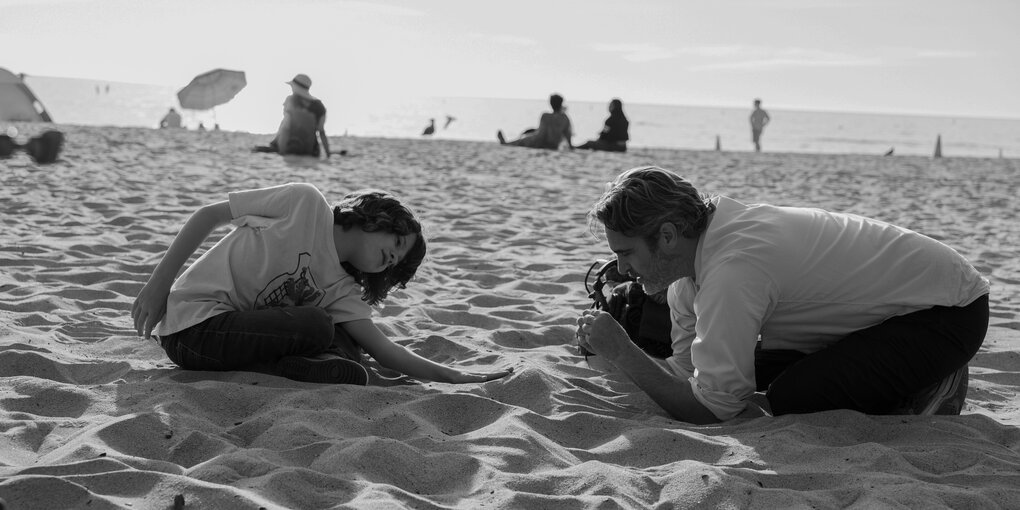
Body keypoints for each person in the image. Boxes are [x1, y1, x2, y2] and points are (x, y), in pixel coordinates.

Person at [577, 166, 989, 424]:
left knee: (791, 397)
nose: (622, 270)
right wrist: (613, 352)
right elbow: (690, 376)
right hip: (889, 310)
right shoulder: (692, 271)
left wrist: (624, 352)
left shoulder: (732, 270)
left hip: (947, 312)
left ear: (667, 235)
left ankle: (930, 382)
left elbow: (712, 409)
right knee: (746, 371)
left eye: (626, 252)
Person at [132, 182, 512, 385]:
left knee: (350, 343)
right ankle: (295, 367)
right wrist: (158, 285)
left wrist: (452, 375)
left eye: (397, 263)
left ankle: (317, 366)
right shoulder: (304, 203)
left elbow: (384, 349)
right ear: (377, 217)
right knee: (317, 324)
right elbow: (209, 215)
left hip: (237, 338)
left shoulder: (343, 288)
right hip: (194, 331)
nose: (392, 259)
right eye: (396, 244)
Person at [253, 74, 332, 158]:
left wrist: (282, 150)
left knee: (256, 149)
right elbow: (321, 132)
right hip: (311, 150)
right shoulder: (319, 106)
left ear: (296, 87)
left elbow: (286, 128)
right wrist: (328, 153)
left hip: (290, 147)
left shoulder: (291, 100)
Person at [497, 93, 573, 150]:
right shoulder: (565, 118)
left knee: (523, 140)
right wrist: (570, 145)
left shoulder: (545, 116)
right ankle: (506, 143)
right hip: (555, 144)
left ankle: (505, 143)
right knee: (528, 134)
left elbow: (541, 134)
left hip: (542, 142)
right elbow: (568, 134)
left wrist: (535, 141)